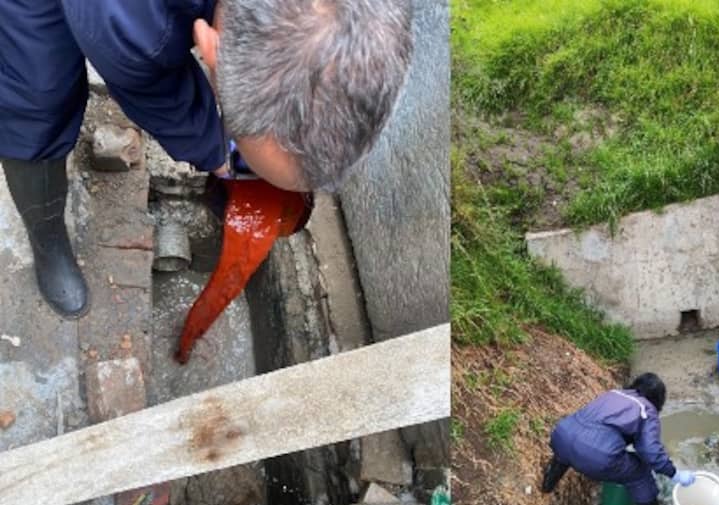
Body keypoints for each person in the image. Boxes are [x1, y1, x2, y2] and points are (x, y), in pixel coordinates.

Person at [0, 0, 412, 318]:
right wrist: (218, 156)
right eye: (244, 152)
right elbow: (151, 85)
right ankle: (47, 236)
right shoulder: (128, 23)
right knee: (36, 99)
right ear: (210, 47)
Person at [540, 373, 695, 505]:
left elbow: (600, 427)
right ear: (658, 399)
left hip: (562, 434)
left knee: (568, 450)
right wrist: (674, 473)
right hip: (597, 455)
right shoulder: (647, 409)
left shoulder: (613, 394)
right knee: (640, 473)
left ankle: (547, 484)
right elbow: (650, 451)